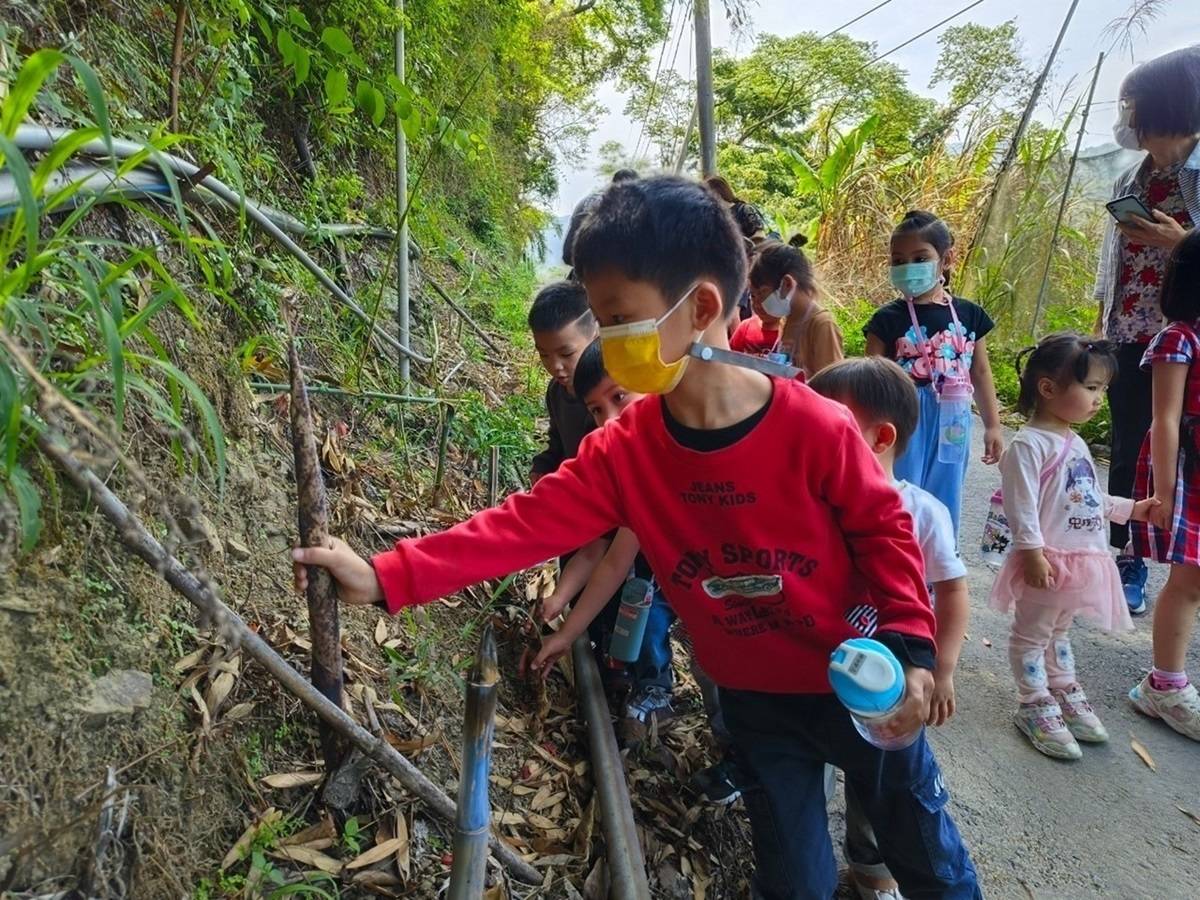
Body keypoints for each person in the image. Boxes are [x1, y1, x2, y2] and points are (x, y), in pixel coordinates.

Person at [293, 175, 981, 899]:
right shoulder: (626, 452)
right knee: (792, 876)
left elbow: (885, 533)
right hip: (752, 698)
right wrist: (388, 576)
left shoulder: (817, 428)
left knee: (923, 851)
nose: (608, 340)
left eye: (618, 317)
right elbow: (522, 525)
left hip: (858, 677)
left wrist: (912, 646)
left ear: (702, 308)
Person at [810, 358, 970, 900]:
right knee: (816, 764)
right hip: (816, 671)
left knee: (876, 780)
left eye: (827, 424)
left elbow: (951, 589)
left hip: (892, 685)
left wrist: (940, 669)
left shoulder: (922, 513)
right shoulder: (809, 505)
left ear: (880, 437)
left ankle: (870, 869)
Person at [988, 334, 1156, 760]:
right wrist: (1031, 552)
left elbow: (1089, 498)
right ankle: (1033, 701)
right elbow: (1020, 505)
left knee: (1059, 630)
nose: (1099, 399)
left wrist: (1133, 509)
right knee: (1032, 633)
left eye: (1103, 389)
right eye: (1092, 388)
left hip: (1080, 560)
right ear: (1048, 389)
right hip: (1046, 559)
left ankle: (1062, 687)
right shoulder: (1028, 445)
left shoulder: (1076, 442)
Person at [1094, 46, 1200, 616]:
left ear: (1166, 106)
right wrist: (1102, 321)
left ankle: (1186, 561)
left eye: (1133, 103)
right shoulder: (1132, 175)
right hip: (1130, 333)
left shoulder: (1199, 176)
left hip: (1188, 339)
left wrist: (1180, 243)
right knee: (1133, 443)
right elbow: (1113, 259)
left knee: (1188, 447)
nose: (1126, 115)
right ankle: (1127, 555)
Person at [537, 341, 678, 741]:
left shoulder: (678, 444)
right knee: (638, 610)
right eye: (598, 410)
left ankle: (655, 690)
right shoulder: (627, 462)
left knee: (652, 623)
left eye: (620, 397)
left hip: (722, 589)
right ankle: (629, 679)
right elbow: (607, 553)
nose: (610, 419)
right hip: (660, 573)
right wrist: (564, 623)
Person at [865, 210, 1003, 535]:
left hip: (953, 416)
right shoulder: (885, 320)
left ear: (947, 259)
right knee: (900, 490)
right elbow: (870, 378)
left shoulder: (970, 315)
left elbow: (980, 371)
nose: (907, 267)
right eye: (898, 260)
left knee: (945, 493)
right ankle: (898, 563)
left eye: (920, 257)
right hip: (902, 416)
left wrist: (993, 426)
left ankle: (937, 575)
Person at [1129, 228, 1200, 741]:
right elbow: (1167, 419)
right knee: (1191, 579)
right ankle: (1165, 684)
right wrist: (1167, 488)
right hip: (1190, 467)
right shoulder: (1179, 338)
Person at [527, 281, 597, 484]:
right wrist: (544, 464)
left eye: (566, 353)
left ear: (595, 333)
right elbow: (558, 441)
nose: (555, 366)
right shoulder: (556, 392)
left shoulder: (610, 393)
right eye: (544, 355)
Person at [750, 236, 843, 377]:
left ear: (787, 284)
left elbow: (832, 386)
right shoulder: (786, 320)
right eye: (754, 295)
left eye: (762, 293)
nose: (758, 302)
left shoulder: (822, 325)